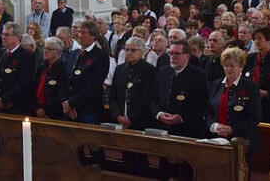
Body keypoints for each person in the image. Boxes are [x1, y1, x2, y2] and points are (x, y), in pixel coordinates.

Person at [109, 37, 155, 174]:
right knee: (125, 155)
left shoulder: (149, 70)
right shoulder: (120, 69)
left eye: (133, 50)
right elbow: (113, 96)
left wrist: (131, 118)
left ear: (141, 52)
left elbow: (146, 97)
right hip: (121, 121)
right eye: (127, 50)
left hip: (139, 120)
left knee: (140, 156)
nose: (129, 53)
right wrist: (118, 116)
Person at [206, 47, 261, 161]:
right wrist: (214, 126)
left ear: (241, 67)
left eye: (232, 66)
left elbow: (255, 117)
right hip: (216, 140)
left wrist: (232, 129)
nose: (228, 69)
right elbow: (208, 112)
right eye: (226, 65)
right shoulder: (215, 84)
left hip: (242, 142)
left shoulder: (251, 88)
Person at [151, 39, 207, 138]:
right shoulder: (162, 72)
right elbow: (153, 99)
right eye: (171, 53)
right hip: (161, 128)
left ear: (187, 56)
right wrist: (159, 114)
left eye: (177, 53)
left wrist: (181, 117)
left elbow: (201, 104)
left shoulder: (198, 76)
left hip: (186, 130)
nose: (173, 57)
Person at [62, 21, 110, 124]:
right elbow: (65, 79)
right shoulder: (74, 54)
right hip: (69, 108)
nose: (80, 35)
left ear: (93, 36)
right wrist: (66, 102)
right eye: (79, 32)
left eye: (83, 33)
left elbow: (93, 85)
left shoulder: (100, 56)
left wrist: (72, 102)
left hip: (88, 109)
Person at [0, 22, 35, 114]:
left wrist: (5, 99)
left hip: (16, 105)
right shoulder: (1, 53)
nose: (3, 37)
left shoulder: (25, 56)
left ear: (17, 37)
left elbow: (23, 83)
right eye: (3, 34)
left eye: (7, 35)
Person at [33, 37, 68, 119]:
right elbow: (34, 88)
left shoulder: (62, 68)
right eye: (44, 48)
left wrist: (46, 111)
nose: (45, 51)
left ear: (58, 52)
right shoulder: (42, 67)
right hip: (36, 110)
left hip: (53, 113)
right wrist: (36, 107)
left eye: (49, 49)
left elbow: (60, 93)